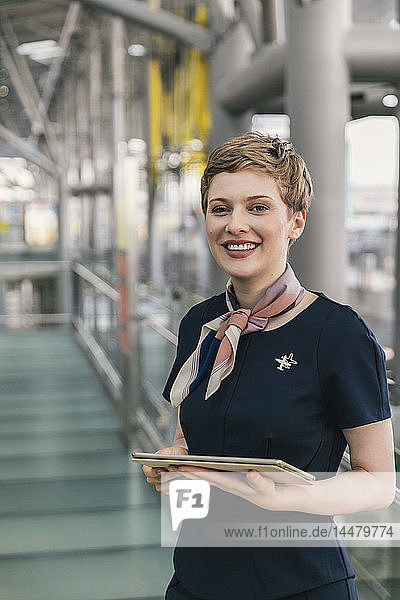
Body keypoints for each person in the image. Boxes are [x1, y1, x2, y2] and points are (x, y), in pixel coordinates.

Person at [143, 132, 395, 600]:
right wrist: (173, 462)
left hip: (299, 583)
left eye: (258, 207)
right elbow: (187, 436)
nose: (235, 224)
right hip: (197, 579)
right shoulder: (199, 324)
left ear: (295, 222)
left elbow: (379, 484)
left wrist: (284, 499)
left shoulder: (337, 333)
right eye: (221, 209)